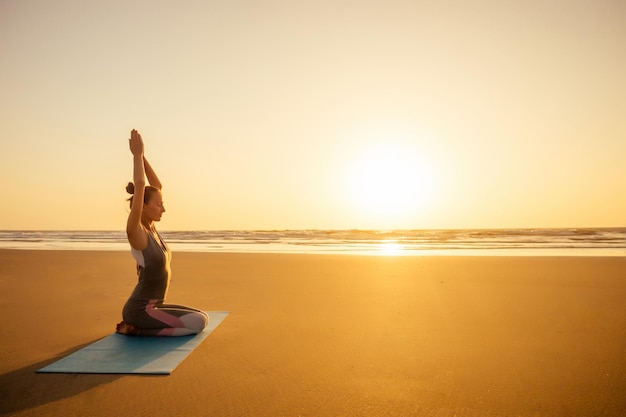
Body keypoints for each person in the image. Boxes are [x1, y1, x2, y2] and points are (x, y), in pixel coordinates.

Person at [116, 129, 209, 336]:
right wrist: (137, 156)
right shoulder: (136, 232)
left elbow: (155, 185)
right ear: (143, 207)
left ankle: (138, 326)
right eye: (159, 205)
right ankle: (134, 330)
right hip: (139, 311)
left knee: (202, 316)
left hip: (154, 307)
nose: (163, 209)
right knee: (197, 323)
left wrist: (143, 156)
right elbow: (141, 185)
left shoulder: (152, 229)